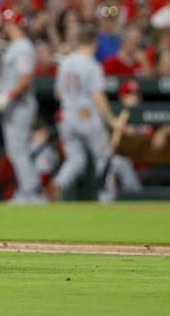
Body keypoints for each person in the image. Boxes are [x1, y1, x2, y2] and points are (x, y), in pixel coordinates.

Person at [50, 24, 121, 200]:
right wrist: (112, 120)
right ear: (94, 42)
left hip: (66, 115)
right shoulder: (92, 65)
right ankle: (107, 197)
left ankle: (59, 182)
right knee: (103, 157)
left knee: (75, 159)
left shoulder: (65, 62)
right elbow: (98, 95)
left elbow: (57, 93)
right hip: (86, 114)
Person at [0, 9, 47, 203]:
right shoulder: (15, 46)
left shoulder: (22, 47)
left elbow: (26, 78)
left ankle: (31, 192)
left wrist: (6, 96)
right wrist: (0, 95)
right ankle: (29, 190)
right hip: (14, 105)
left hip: (20, 105)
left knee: (18, 151)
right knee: (16, 151)